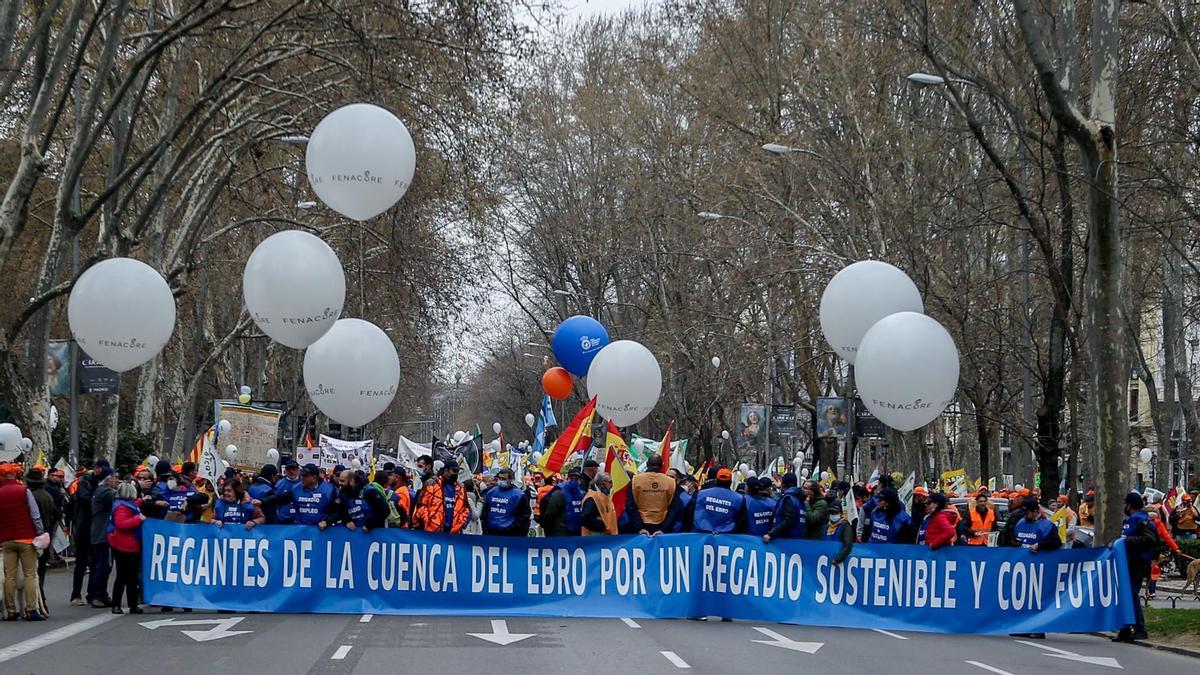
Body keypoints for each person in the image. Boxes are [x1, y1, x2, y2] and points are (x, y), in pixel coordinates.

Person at [0, 463, 45, 620]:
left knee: (9, 576)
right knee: (30, 574)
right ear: (15, 474)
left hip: (6, 540)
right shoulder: (24, 490)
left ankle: (11, 610)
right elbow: (35, 514)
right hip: (26, 538)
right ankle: (31, 609)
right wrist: (39, 532)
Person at [1114, 492, 1159, 642]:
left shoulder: (1143, 521)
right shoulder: (1129, 520)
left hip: (1138, 562)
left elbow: (1150, 540)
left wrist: (1128, 541)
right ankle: (1125, 630)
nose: (1123, 507)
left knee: (1132, 596)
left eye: (1125, 504)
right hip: (1127, 561)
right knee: (1125, 596)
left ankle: (1140, 629)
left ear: (1130, 505)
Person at [69, 459, 106, 606]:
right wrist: (98, 497)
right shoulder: (85, 481)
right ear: (96, 469)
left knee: (96, 562)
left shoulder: (101, 482)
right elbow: (84, 499)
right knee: (82, 562)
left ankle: (92, 593)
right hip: (84, 526)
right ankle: (76, 594)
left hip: (96, 526)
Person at [107, 481, 145, 614]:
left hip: (128, 544)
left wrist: (143, 501)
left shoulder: (125, 505)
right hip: (124, 545)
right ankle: (118, 604)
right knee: (124, 576)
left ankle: (132, 604)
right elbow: (121, 524)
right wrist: (138, 519)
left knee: (131, 577)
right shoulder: (122, 508)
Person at [25, 468, 58, 608]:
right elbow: (56, 514)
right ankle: (41, 599)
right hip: (45, 535)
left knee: (31, 572)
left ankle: (36, 601)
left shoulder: (31, 497)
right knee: (40, 570)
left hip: (34, 536)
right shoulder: (47, 495)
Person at [88, 470, 119, 608]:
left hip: (100, 533)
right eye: (115, 478)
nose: (117, 481)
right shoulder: (105, 492)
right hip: (103, 535)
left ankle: (100, 594)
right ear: (107, 479)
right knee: (103, 566)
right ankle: (97, 595)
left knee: (102, 566)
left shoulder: (101, 491)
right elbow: (122, 495)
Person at [412, 460, 470, 533]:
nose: (456, 473)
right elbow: (421, 505)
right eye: (454, 471)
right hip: (432, 532)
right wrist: (429, 522)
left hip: (453, 533)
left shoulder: (461, 489)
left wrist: (460, 523)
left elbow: (466, 509)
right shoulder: (432, 484)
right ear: (446, 471)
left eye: (457, 471)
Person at [626, 455, 677, 535]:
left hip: (640, 525)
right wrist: (663, 529)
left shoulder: (635, 481)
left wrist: (639, 528)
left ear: (647, 464)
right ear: (662, 465)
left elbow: (630, 506)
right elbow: (674, 508)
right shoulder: (671, 482)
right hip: (662, 525)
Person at [688, 468, 746, 534]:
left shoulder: (701, 494)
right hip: (727, 538)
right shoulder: (739, 498)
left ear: (716, 480)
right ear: (730, 482)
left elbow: (689, 513)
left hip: (700, 535)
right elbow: (742, 522)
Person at [481, 468, 531, 536]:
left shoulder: (519, 495)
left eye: (504, 479)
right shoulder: (490, 492)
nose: (501, 481)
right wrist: (485, 529)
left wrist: (513, 528)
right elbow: (485, 513)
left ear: (511, 480)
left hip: (510, 533)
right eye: (500, 478)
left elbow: (524, 516)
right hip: (491, 532)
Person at [291, 464, 339, 529]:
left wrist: (327, 522)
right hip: (300, 530)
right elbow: (278, 499)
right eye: (301, 475)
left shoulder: (329, 490)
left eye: (305, 476)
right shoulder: (296, 488)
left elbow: (338, 511)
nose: (302, 478)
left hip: (321, 531)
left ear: (314, 478)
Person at [763, 473, 805, 543]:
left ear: (783, 484)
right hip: (797, 539)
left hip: (786, 540)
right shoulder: (799, 498)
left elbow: (788, 520)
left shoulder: (788, 498)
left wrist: (771, 534)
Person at [823, 499, 854, 565]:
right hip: (825, 560)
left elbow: (848, 545)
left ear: (841, 513)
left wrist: (838, 559)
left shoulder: (845, 526)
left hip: (837, 562)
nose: (833, 515)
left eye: (835, 513)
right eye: (831, 513)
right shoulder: (826, 527)